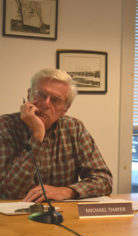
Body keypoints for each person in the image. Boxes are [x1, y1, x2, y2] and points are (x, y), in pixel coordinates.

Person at [0, 68, 113, 202]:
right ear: (29, 95)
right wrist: (37, 136)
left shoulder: (75, 129)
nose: (46, 104)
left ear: (66, 108)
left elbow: (104, 180)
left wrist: (68, 191)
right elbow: (9, 191)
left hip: (62, 214)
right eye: (41, 95)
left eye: (55, 100)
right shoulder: (4, 127)